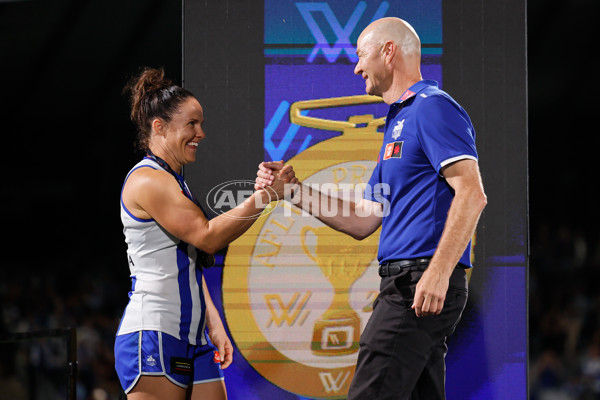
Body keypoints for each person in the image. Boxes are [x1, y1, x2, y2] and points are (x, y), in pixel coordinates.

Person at [256, 17, 487, 400]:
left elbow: (472, 192)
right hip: (408, 282)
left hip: (416, 284)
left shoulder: (431, 107)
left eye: (361, 54)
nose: (357, 66)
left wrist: (437, 272)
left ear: (389, 51)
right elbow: (364, 219)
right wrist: (292, 192)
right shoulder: (397, 122)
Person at [115, 67, 295, 400]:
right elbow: (207, 236)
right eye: (192, 124)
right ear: (159, 127)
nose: (201, 133)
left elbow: (188, 262)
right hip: (154, 332)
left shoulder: (175, 182)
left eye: (201, 123)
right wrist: (268, 195)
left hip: (193, 337)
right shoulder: (149, 181)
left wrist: (213, 323)